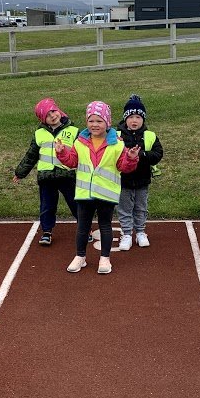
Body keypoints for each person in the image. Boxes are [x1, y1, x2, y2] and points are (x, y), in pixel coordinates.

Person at [55, 101, 139, 274]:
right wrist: (62, 152)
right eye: (91, 120)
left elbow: (124, 167)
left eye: (99, 121)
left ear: (107, 122)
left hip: (106, 194)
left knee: (105, 225)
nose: (95, 124)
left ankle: (105, 258)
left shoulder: (117, 144)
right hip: (85, 193)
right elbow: (72, 162)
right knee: (82, 227)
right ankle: (80, 257)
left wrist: (130, 158)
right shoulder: (80, 142)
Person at [13, 98, 80, 246]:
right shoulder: (39, 134)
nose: (52, 116)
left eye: (53, 111)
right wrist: (20, 172)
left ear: (59, 110)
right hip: (46, 177)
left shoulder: (73, 131)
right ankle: (47, 232)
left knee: (75, 203)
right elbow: (31, 155)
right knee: (47, 206)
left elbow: (81, 153)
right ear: (43, 119)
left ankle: (84, 228)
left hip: (66, 175)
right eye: (47, 115)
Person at [116, 94, 164, 250]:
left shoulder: (149, 136)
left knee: (140, 207)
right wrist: (127, 155)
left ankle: (141, 232)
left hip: (142, 180)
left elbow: (157, 154)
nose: (134, 120)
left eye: (138, 117)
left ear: (143, 119)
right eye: (131, 117)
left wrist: (141, 155)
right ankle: (126, 233)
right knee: (124, 208)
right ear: (125, 119)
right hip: (123, 180)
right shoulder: (117, 136)